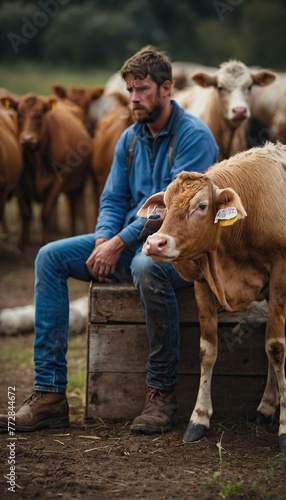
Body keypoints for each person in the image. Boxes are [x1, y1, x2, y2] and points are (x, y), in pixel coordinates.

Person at [0, 46, 218, 435]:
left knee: (145, 265)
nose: (133, 98)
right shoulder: (130, 138)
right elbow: (113, 198)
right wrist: (103, 239)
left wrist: (118, 242)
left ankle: (162, 394)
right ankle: (49, 396)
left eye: (143, 89)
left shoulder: (194, 137)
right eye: (130, 89)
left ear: (166, 88)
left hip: (180, 251)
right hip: (126, 240)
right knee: (49, 256)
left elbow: (174, 211)